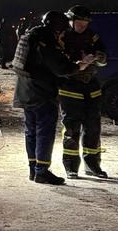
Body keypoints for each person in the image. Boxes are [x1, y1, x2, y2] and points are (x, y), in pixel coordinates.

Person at [12, 11, 86, 185]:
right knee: (44, 133)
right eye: (62, 32)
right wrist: (79, 66)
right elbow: (60, 67)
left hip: (26, 92)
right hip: (42, 94)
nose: (63, 36)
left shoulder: (32, 35)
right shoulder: (46, 40)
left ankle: (33, 169)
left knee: (31, 132)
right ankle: (42, 171)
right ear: (57, 29)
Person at [59, 5, 107, 179]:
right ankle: (71, 166)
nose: (82, 27)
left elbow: (103, 59)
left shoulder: (93, 37)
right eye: (79, 23)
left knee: (93, 129)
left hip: (91, 88)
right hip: (70, 88)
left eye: (85, 24)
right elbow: (60, 62)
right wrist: (79, 62)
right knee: (71, 129)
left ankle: (93, 164)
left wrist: (100, 58)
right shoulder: (62, 37)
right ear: (70, 21)